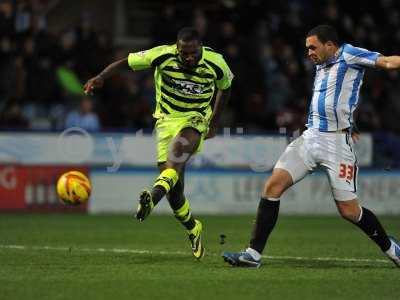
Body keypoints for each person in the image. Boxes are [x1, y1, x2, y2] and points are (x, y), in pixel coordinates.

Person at [222, 25, 400, 268]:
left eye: (313, 47)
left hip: (336, 143)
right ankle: (253, 254)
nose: (309, 53)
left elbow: (388, 62)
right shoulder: (320, 64)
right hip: (311, 137)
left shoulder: (349, 54)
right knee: (272, 186)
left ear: (330, 45)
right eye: (307, 48)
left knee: (349, 211)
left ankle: (391, 249)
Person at [84, 27, 233, 259]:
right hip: (165, 121)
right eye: (185, 54)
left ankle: (151, 199)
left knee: (179, 151)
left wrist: (213, 122)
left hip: (196, 118)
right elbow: (126, 62)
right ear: (177, 48)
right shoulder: (162, 55)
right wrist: (101, 77)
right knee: (175, 193)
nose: (190, 58)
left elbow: (226, 87)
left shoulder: (216, 62)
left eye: (194, 53)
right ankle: (194, 228)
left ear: (200, 47)